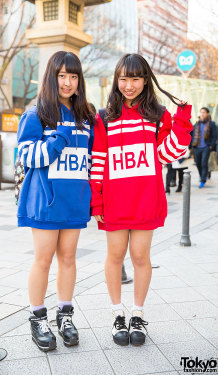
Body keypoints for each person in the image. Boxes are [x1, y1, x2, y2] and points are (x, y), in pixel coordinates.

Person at [90, 53, 192, 347]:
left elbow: (168, 154)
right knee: (115, 255)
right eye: (123, 78)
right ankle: (116, 314)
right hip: (114, 202)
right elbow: (98, 161)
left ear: (146, 80)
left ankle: (137, 314)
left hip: (145, 199)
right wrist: (96, 202)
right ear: (116, 80)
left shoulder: (158, 115)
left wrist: (182, 119)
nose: (129, 85)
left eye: (135, 78)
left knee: (140, 257)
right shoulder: (105, 117)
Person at [17, 51, 94, 352]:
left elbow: (89, 160)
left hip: (74, 201)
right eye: (62, 75)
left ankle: (65, 314)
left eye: (73, 76)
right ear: (52, 76)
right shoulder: (36, 113)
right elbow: (26, 156)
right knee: (44, 259)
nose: (68, 81)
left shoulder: (86, 115)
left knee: (69, 258)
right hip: (45, 203)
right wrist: (58, 140)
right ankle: (38, 317)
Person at [191, 107, 216, 188]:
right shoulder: (196, 124)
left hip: (206, 146)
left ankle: (202, 180)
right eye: (201, 112)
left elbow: (215, 136)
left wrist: (211, 145)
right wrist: (191, 146)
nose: (202, 114)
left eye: (204, 112)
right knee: (198, 163)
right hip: (196, 147)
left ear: (207, 113)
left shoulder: (211, 124)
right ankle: (202, 175)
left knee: (203, 163)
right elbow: (192, 135)